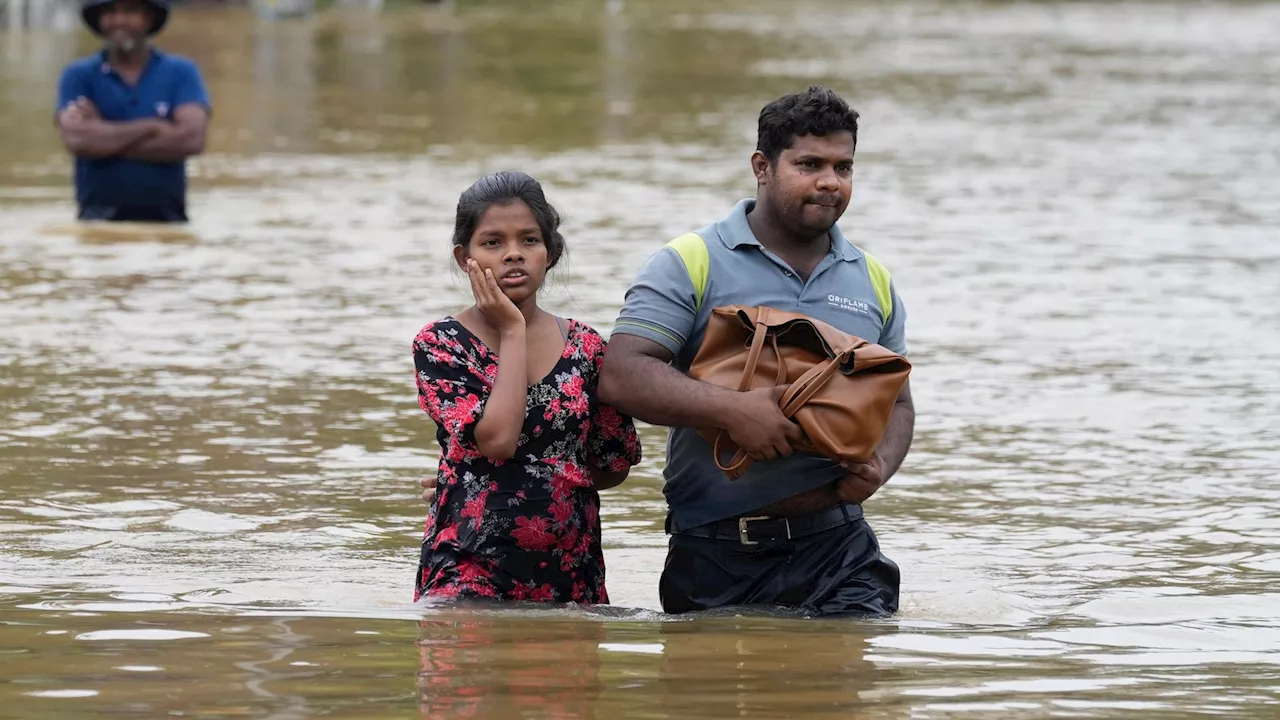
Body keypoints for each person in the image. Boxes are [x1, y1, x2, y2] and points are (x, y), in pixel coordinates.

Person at [596, 85, 915, 616]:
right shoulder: (690, 261)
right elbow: (622, 374)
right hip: (716, 550)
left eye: (844, 167)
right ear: (762, 166)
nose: (830, 182)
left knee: (850, 690)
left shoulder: (872, 279)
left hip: (840, 550)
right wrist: (732, 410)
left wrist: (880, 464)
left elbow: (899, 404)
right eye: (809, 164)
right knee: (715, 697)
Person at [411, 171, 642, 605]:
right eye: (493, 242)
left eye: (529, 240)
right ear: (465, 258)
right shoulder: (442, 345)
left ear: (551, 252)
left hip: (571, 573)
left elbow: (612, 464)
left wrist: (537, 477)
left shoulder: (587, 347)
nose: (513, 254)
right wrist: (513, 332)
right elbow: (497, 443)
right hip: (467, 567)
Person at [54, 0, 211, 223]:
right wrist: (153, 127)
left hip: (169, 225)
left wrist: (103, 140)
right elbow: (77, 140)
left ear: (149, 18)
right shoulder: (78, 75)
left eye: (130, 11)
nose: (119, 21)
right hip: (96, 226)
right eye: (109, 12)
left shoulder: (181, 72)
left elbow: (192, 140)